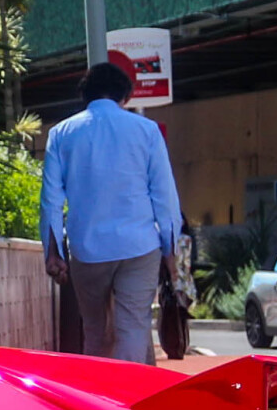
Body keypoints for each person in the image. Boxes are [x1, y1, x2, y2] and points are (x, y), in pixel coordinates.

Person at [39, 61, 184, 363]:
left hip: (87, 250)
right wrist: (171, 252)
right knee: (133, 327)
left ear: (85, 95)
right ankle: (131, 396)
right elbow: (164, 196)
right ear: (127, 97)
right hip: (140, 247)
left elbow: (51, 200)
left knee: (95, 331)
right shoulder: (147, 131)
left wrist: (53, 253)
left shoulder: (61, 134)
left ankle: (100, 396)